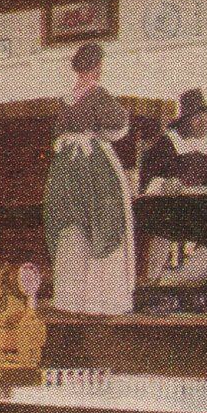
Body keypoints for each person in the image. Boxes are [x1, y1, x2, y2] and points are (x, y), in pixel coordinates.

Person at [42, 42, 137, 316]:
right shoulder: (98, 94)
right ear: (96, 67)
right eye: (99, 65)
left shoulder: (66, 100)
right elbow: (119, 126)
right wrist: (96, 134)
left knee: (73, 225)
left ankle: (72, 300)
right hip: (92, 164)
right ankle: (101, 300)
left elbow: (58, 134)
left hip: (65, 168)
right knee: (104, 217)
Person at [139, 87, 207, 191]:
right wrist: (165, 185)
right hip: (169, 199)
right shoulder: (166, 143)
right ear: (185, 121)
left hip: (202, 199)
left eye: (206, 115)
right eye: (197, 117)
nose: (203, 122)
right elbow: (145, 181)